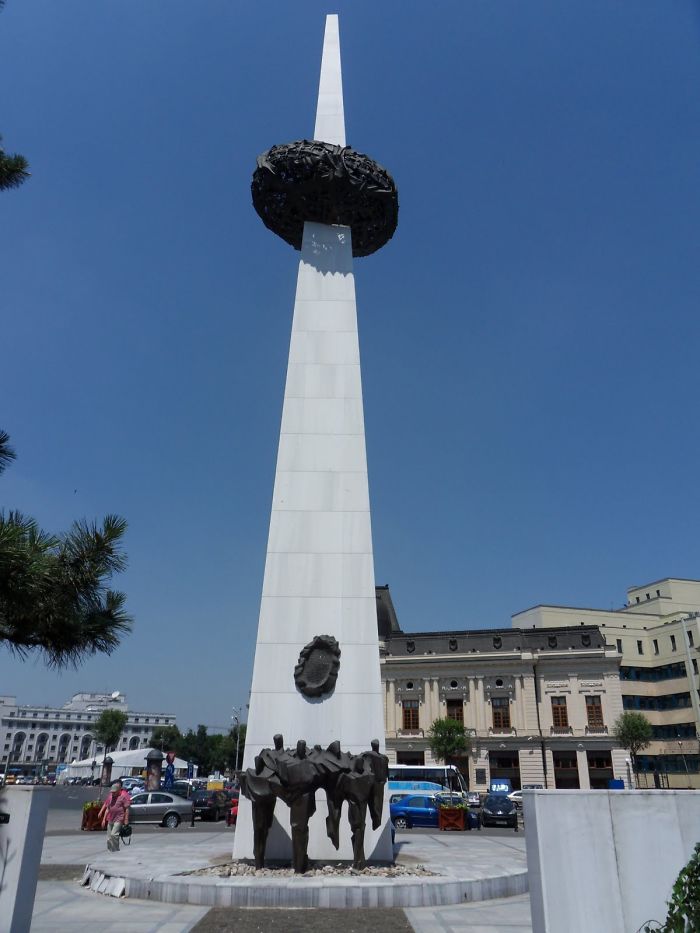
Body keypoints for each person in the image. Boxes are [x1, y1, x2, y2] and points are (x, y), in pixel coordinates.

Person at [98, 780, 131, 852]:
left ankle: (116, 849)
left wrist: (126, 819)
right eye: (112, 792)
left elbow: (127, 808)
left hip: (119, 818)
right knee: (109, 837)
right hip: (110, 818)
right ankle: (110, 850)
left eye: (114, 792)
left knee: (114, 834)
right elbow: (107, 808)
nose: (112, 793)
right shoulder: (111, 797)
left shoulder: (123, 796)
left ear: (119, 790)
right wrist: (103, 819)